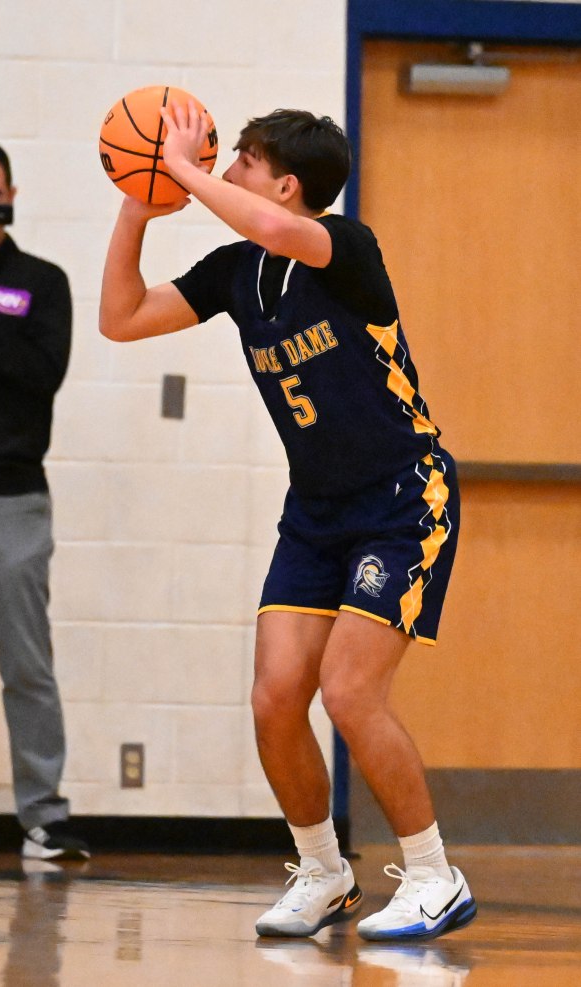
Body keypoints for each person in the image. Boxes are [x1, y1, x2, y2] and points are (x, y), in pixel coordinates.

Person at [99, 104, 477, 940]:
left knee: (347, 690)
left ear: (286, 182)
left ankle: (432, 874)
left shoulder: (347, 248)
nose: (225, 166)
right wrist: (139, 200)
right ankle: (323, 870)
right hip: (315, 511)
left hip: (402, 500)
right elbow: (120, 318)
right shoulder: (239, 271)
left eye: (241, 159)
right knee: (275, 700)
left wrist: (182, 170)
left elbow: (274, 225)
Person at [0, 137, 89, 861]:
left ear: (11, 193)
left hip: (9, 500)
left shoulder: (41, 282)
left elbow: (40, 375)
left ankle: (43, 815)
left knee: (26, 666)